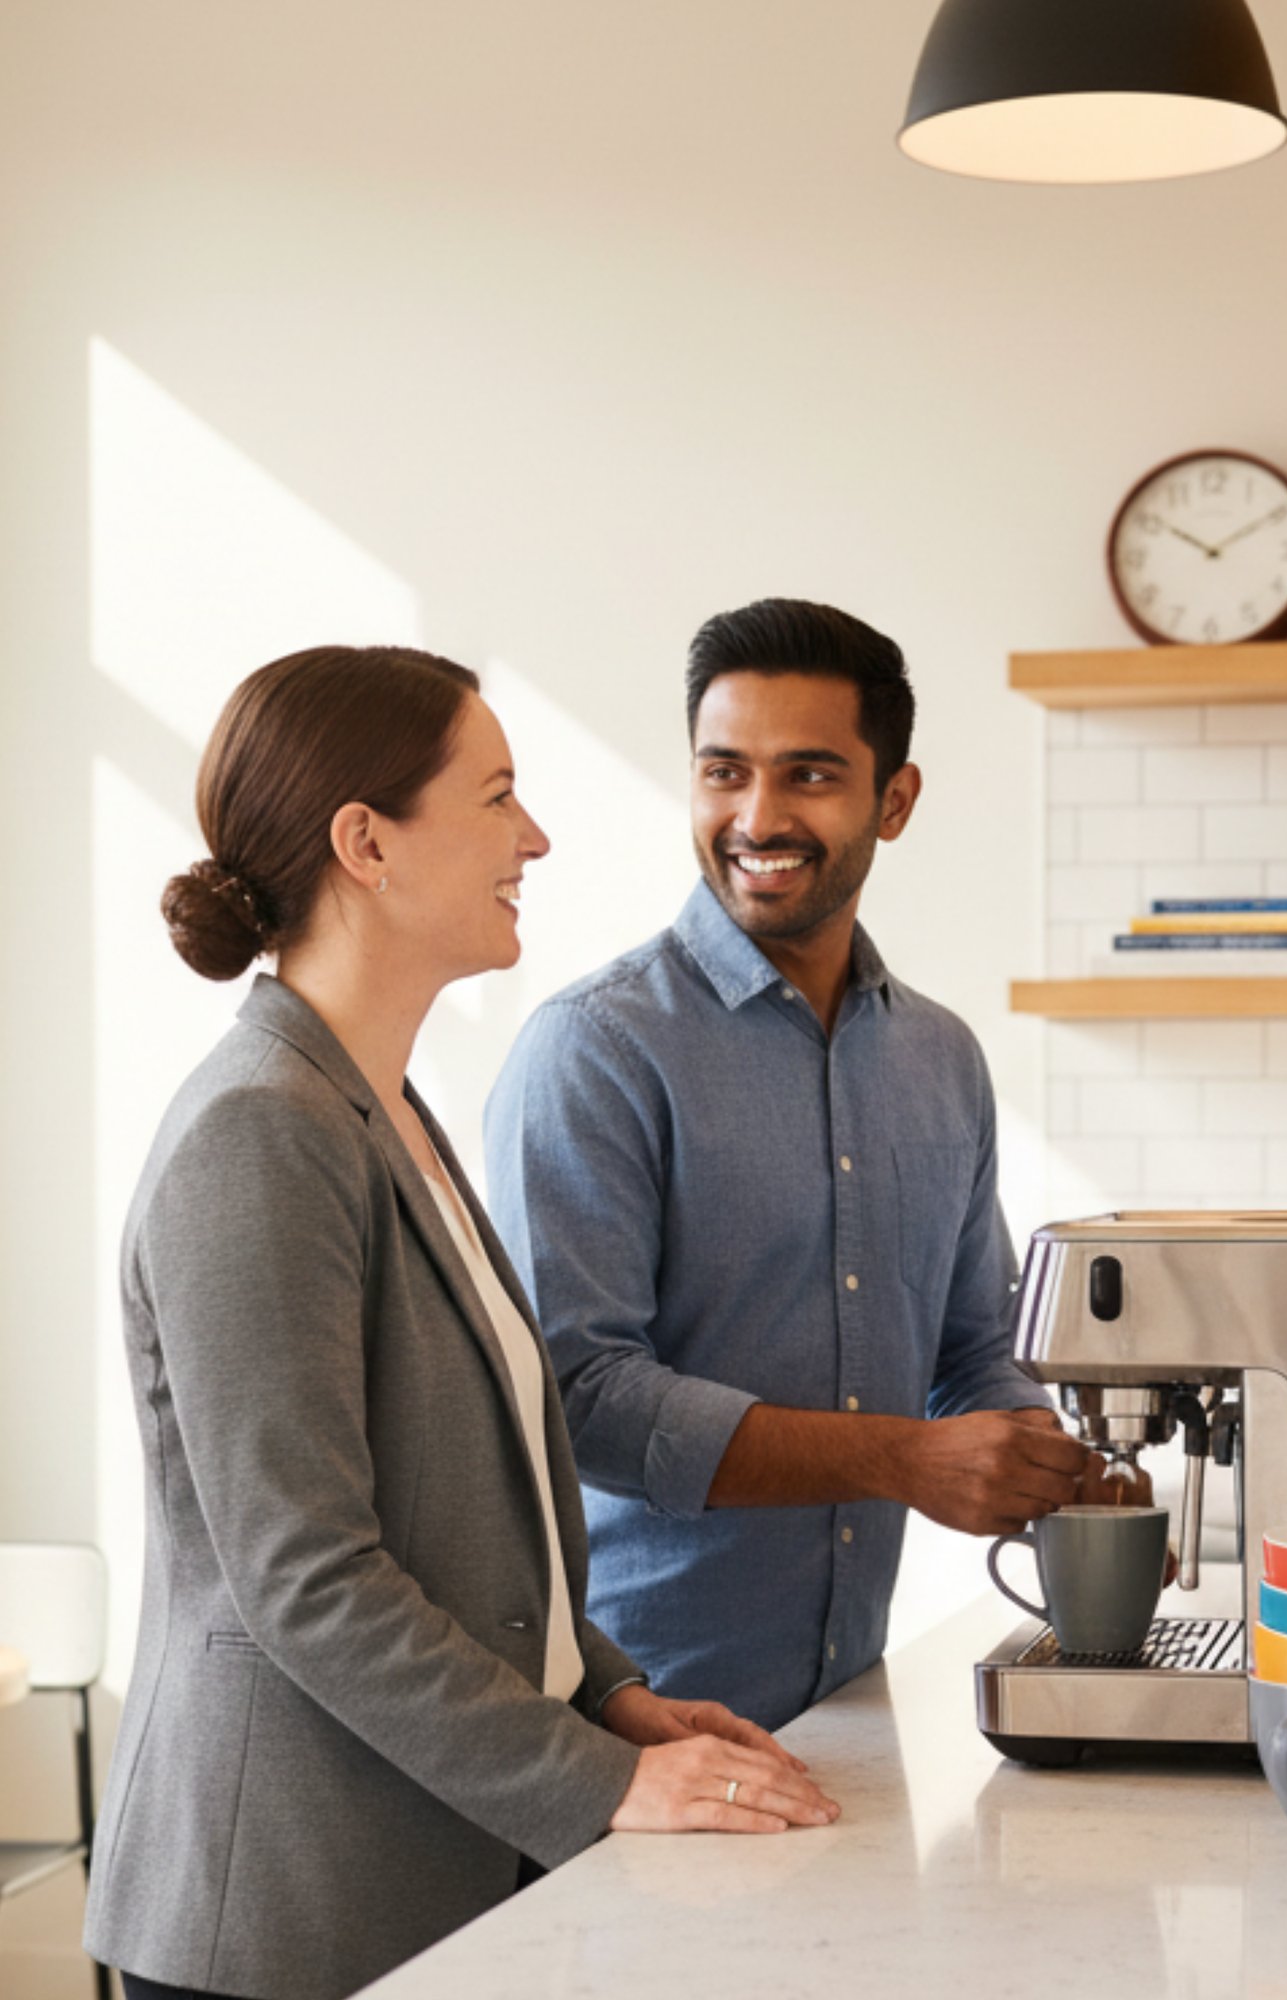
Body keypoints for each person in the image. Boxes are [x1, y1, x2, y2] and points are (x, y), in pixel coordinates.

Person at [85, 646, 837, 2000]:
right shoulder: (258, 1133)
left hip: (423, 1888)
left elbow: (469, 1524)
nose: (534, 838)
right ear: (366, 844)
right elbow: (307, 1579)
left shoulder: (385, 1110)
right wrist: (603, 1778)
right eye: (497, 798)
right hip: (281, 1917)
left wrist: (606, 1690)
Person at [486, 600, 1137, 1731]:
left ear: (895, 799)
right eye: (723, 771)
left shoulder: (939, 1057)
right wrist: (905, 1459)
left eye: (809, 775)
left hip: (846, 1709)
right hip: (627, 1727)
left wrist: (1041, 1463)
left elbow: (972, 1346)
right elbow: (576, 1399)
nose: (756, 816)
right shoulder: (592, 1048)